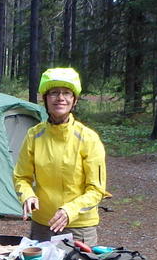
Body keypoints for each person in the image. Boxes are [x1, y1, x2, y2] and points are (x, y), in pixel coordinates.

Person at [13, 67, 108, 246]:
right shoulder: (34, 135)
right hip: (42, 224)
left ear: (74, 100)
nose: (60, 98)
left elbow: (96, 190)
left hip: (79, 227)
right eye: (54, 93)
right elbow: (21, 177)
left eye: (66, 93)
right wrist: (27, 195)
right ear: (45, 99)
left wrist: (69, 211)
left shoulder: (88, 138)